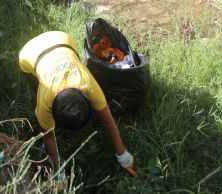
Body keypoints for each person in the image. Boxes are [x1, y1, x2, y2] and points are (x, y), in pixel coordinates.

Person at [19, 31, 137, 177]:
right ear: (51, 111)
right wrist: (58, 170)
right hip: (29, 52)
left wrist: (124, 156)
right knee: (33, 85)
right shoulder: (44, 102)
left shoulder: (88, 85)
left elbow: (108, 120)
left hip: (62, 39)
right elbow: (48, 136)